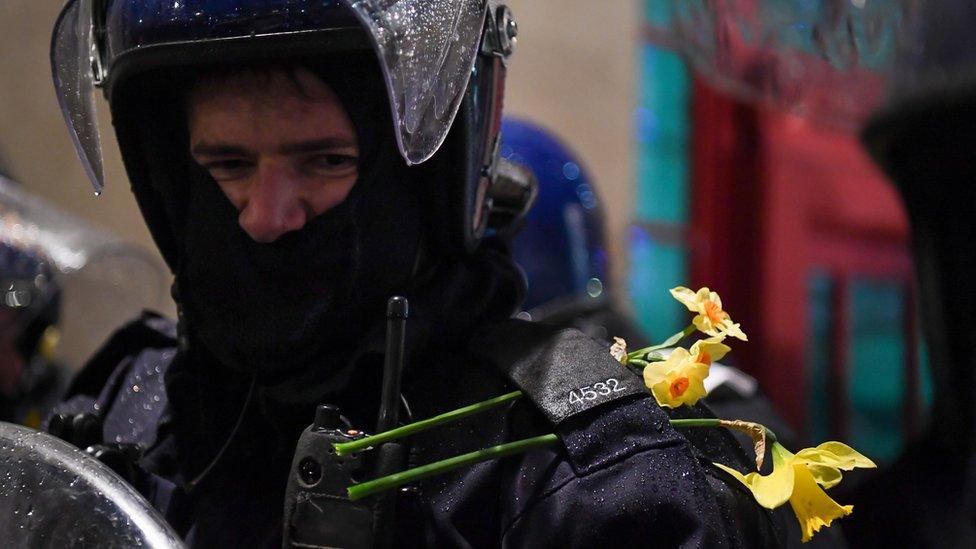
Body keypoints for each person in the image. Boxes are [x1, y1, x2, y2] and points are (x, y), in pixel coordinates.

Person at [48, 1, 787, 546]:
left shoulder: (576, 478)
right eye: (229, 166)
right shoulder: (124, 417)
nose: (265, 215)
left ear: (424, 179)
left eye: (325, 160)